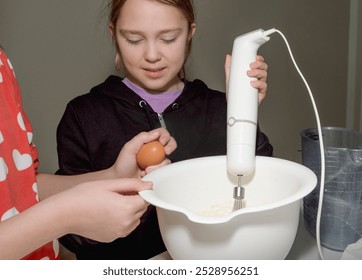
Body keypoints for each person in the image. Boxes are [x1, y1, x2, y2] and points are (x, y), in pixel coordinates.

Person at [56, 0, 273, 259]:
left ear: (190, 33)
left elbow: (263, 187)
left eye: (168, 39)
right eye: (134, 40)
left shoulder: (219, 108)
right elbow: (69, 230)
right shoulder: (84, 115)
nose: (151, 55)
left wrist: (243, 113)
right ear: (114, 34)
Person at [0, 47, 177, 260]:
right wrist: (65, 216)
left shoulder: (3, 64)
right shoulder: (82, 112)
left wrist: (113, 175)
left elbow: (23, 186)